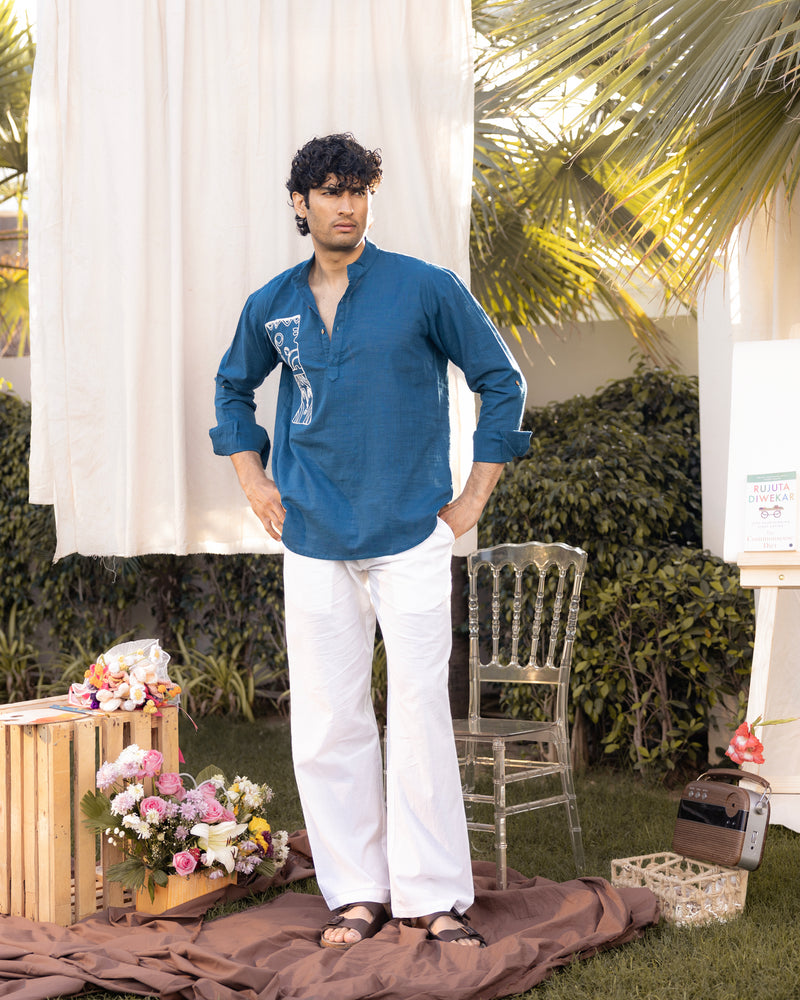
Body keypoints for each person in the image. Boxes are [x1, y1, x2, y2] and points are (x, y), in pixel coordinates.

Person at [210, 133, 530, 949]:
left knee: (419, 712)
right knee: (326, 720)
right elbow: (231, 387)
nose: (347, 204)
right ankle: (356, 890)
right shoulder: (273, 304)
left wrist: (472, 499)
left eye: (359, 190)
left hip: (407, 533)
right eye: (330, 191)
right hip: (313, 535)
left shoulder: (424, 289)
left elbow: (502, 381)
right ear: (301, 203)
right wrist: (253, 480)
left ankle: (432, 896)